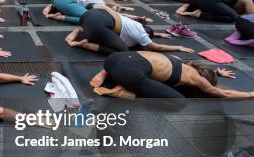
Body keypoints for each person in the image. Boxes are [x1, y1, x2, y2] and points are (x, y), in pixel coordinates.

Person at [90, 51, 253, 101]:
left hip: (112, 59)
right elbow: (222, 93)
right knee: (178, 101)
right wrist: (250, 94)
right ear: (205, 78)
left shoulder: (180, 61)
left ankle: (107, 75)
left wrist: (217, 71)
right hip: (127, 73)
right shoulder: (198, 79)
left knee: (146, 71)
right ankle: (120, 92)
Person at [65, 8, 195, 55]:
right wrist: (178, 47)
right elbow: (156, 47)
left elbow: (147, 33)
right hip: (97, 26)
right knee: (123, 51)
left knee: (103, 32)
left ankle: (78, 30)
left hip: (89, 15)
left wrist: (159, 34)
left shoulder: (136, 26)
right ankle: (86, 44)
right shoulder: (140, 34)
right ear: (144, 35)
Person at [176, 0, 254, 22]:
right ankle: (198, 14)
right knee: (233, 17)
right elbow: (251, 17)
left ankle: (187, 6)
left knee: (214, 5)